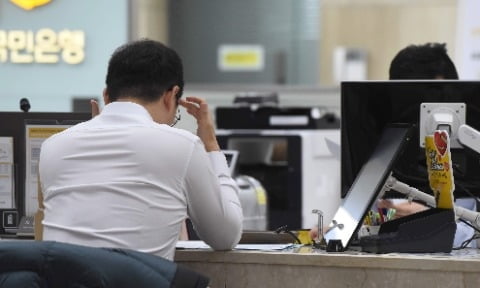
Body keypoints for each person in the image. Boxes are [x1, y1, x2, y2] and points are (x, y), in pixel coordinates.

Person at [36, 39, 243, 260]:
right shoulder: (181, 146)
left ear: (106, 96)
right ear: (170, 96)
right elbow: (224, 236)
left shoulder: (53, 146)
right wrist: (211, 144)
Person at [311, 43, 477, 247]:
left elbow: (472, 237)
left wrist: (429, 219)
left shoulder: (472, 145)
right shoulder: (383, 142)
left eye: (438, 97)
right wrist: (345, 231)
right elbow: (377, 215)